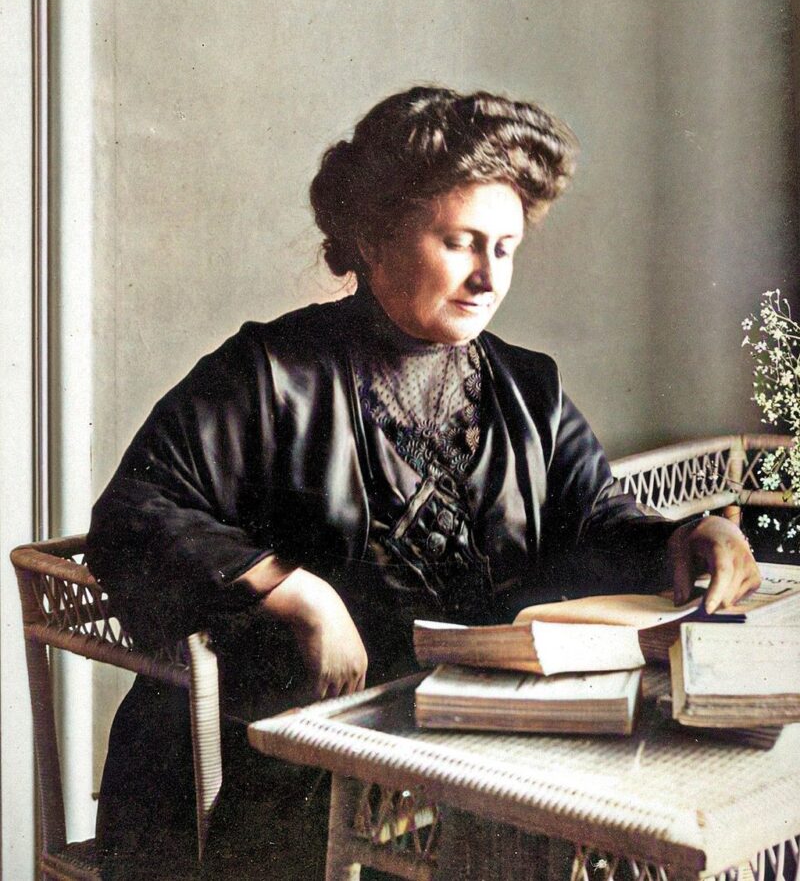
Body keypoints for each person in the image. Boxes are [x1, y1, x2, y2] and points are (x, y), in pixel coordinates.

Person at [87, 86, 760, 879]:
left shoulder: (526, 388)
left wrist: (689, 534)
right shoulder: (272, 372)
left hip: (485, 740)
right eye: (461, 242)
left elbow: (595, 515)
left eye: (504, 248)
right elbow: (133, 512)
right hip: (299, 761)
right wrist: (294, 592)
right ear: (373, 240)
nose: (487, 277)